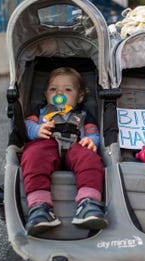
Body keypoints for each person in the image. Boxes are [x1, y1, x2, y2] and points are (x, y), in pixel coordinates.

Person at [21, 67, 107, 237]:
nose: (59, 93)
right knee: (33, 155)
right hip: (47, 145)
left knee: (89, 157)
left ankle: (88, 203)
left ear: (80, 96)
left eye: (67, 90)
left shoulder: (83, 115)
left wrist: (91, 141)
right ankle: (39, 207)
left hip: (75, 146)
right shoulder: (40, 111)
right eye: (53, 89)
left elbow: (93, 133)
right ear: (46, 94)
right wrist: (37, 130)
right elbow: (26, 126)